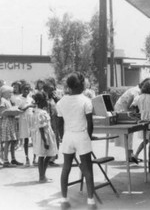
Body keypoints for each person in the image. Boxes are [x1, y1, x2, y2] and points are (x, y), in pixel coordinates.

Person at [57, 72, 96, 210]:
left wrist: (63, 137)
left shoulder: (61, 102)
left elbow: (59, 124)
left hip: (68, 136)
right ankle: (91, 201)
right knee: (87, 169)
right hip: (81, 135)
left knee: (66, 168)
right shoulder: (86, 100)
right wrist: (88, 137)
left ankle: (64, 200)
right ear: (82, 85)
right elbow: (90, 123)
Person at [113, 77, 150, 163]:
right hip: (122, 110)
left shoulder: (139, 91)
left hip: (124, 110)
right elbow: (129, 106)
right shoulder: (136, 92)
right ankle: (129, 156)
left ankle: (130, 155)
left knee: (130, 134)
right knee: (129, 132)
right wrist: (133, 116)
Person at [31, 91, 58, 183]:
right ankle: (41, 177)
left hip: (44, 135)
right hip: (44, 136)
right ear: (40, 101)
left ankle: (43, 176)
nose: (47, 102)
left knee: (45, 155)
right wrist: (45, 140)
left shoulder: (39, 111)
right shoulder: (41, 113)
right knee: (44, 155)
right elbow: (41, 128)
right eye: (45, 100)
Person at [131, 79, 150, 162]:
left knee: (146, 139)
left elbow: (133, 106)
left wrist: (137, 114)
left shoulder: (139, 97)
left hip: (143, 120)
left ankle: (136, 154)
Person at [0, 85, 22, 167]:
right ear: (4, 93)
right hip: (6, 122)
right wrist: (11, 111)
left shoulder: (8, 100)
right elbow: (1, 113)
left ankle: (13, 158)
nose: (11, 94)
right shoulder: (3, 100)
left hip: (11, 122)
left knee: (13, 141)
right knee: (7, 141)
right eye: (9, 92)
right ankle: (5, 160)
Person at [16, 80, 34, 167]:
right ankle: (27, 158)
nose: (26, 91)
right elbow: (19, 110)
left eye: (28, 90)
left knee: (34, 138)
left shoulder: (30, 98)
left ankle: (35, 158)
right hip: (24, 120)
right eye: (24, 89)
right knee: (26, 139)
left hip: (31, 119)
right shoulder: (19, 99)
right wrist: (28, 106)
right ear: (21, 90)